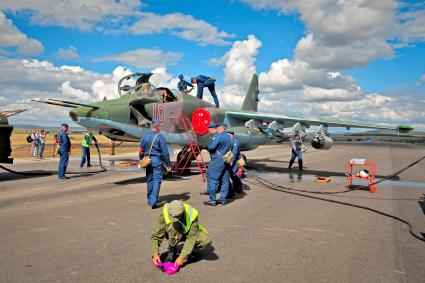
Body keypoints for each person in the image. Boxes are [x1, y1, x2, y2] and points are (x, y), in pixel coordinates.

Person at [151, 200, 212, 267]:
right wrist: (155, 253)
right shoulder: (165, 212)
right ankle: (172, 248)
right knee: (173, 227)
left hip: (188, 232)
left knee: (206, 240)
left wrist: (182, 257)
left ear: (183, 212)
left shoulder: (192, 213)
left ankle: (186, 250)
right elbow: (157, 235)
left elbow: (192, 237)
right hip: (172, 232)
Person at [139, 118, 171, 208]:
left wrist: (141, 159)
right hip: (157, 161)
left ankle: (149, 199)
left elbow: (141, 151)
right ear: (157, 127)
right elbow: (165, 153)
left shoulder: (145, 136)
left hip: (148, 160)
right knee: (157, 180)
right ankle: (153, 201)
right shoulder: (160, 137)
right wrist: (168, 164)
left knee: (150, 180)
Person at [204, 122, 232, 206]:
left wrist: (209, 147)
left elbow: (212, 147)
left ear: (220, 128)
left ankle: (212, 200)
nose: (217, 130)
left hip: (217, 160)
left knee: (212, 178)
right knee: (225, 180)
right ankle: (223, 199)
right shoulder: (228, 137)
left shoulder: (219, 136)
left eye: (217, 128)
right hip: (226, 159)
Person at [227, 131, 243, 198]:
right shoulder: (231, 141)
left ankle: (238, 188)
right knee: (233, 174)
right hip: (234, 160)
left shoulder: (235, 141)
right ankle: (236, 188)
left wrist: (230, 161)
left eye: (227, 135)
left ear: (231, 135)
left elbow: (235, 152)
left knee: (234, 174)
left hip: (237, 160)